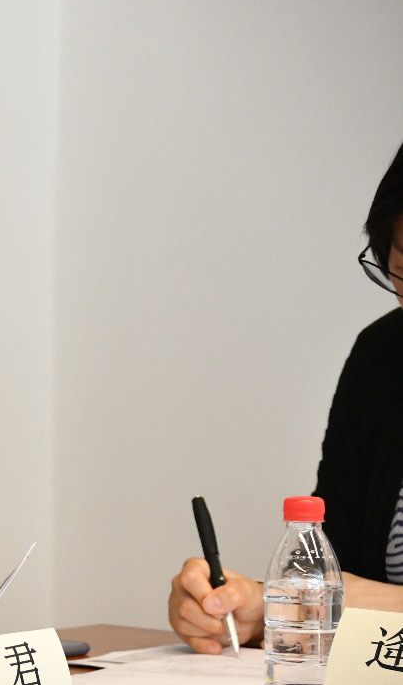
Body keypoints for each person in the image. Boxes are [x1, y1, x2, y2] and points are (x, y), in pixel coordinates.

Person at [168, 138, 403, 654]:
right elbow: (335, 561)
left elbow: (341, 596)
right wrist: (258, 612)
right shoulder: (384, 358)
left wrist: (340, 603)